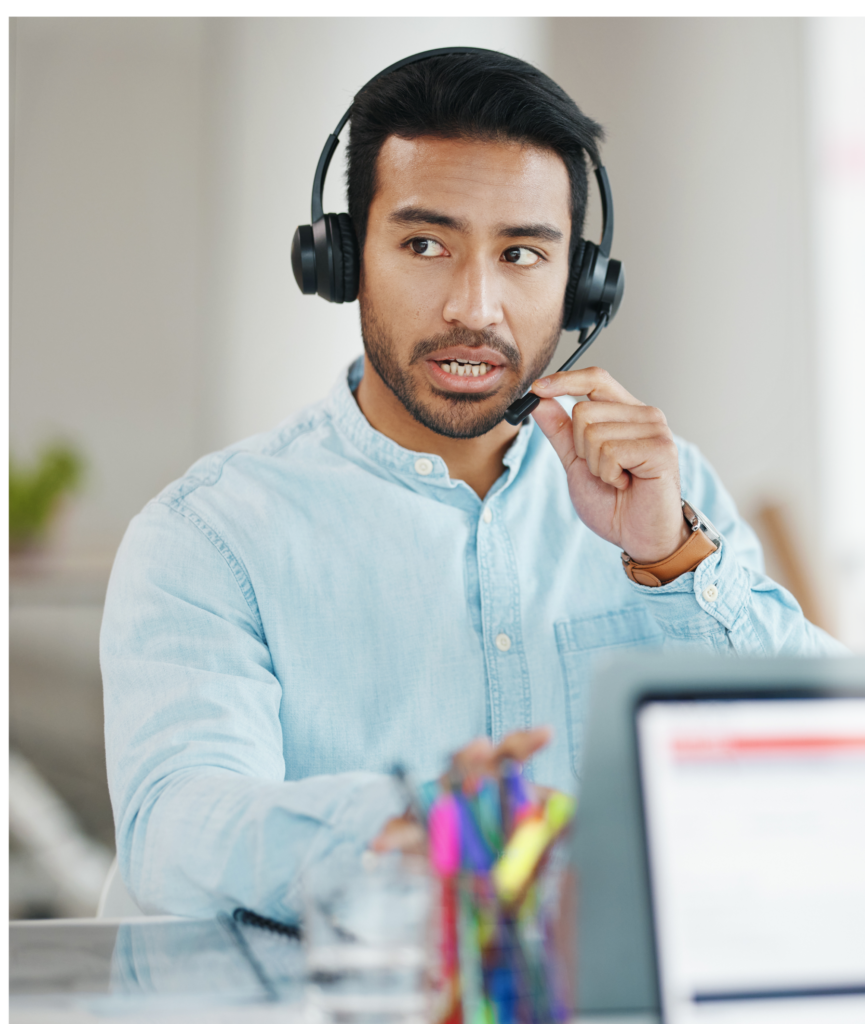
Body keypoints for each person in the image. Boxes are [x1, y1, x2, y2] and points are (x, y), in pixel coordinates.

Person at [100, 49, 843, 919]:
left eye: (522, 253)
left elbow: (831, 755)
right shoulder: (211, 534)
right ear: (340, 260)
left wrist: (673, 558)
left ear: (582, 285)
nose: (474, 307)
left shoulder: (673, 501)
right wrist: (413, 823)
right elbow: (177, 830)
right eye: (424, 244)